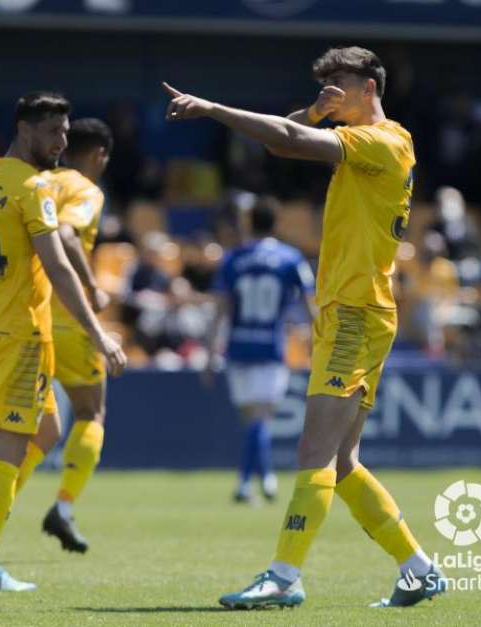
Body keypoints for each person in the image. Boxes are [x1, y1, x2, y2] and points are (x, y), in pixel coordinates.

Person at [164, 45, 444, 609]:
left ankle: (284, 577)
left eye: (341, 84)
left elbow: (287, 141)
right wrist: (315, 109)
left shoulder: (382, 141)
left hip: (355, 311)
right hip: (355, 308)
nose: (331, 94)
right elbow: (283, 137)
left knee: (314, 451)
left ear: (371, 86)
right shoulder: (363, 142)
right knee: (342, 463)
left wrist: (213, 109)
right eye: (326, 86)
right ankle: (419, 568)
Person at [0, 92, 126, 591]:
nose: (62, 143)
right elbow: (60, 263)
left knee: (46, 431)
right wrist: (96, 332)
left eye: (66, 134)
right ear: (24, 129)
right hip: (20, 331)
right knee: (9, 444)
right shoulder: (35, 186)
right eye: (52, 132)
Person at [203, 196, 314, 504]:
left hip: (238, 346)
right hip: (270, 346)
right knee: (260, 419)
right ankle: (255, 480)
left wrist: (211, 352)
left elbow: (220, 310)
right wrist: (316, 341)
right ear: (276, 224)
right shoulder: (290, 258)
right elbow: (309, 304)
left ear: (249, 223)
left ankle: (256, 481)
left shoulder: (233, 259)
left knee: (251, 419)